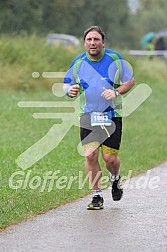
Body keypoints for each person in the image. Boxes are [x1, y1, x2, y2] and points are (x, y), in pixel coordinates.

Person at [63, 26, 135, 210]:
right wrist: (69, 91)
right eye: (89, 40)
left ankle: (115, 178)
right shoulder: (78, 62)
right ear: (85, 43)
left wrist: (116, 91)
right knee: (90, 155)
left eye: (96, 39)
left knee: (110, 159)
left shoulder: (115, 59)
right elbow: (67, 83)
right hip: (88, 115)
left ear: (103, 42)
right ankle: (96, 196)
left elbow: (130, 81)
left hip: (111, 115)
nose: (93, 43)